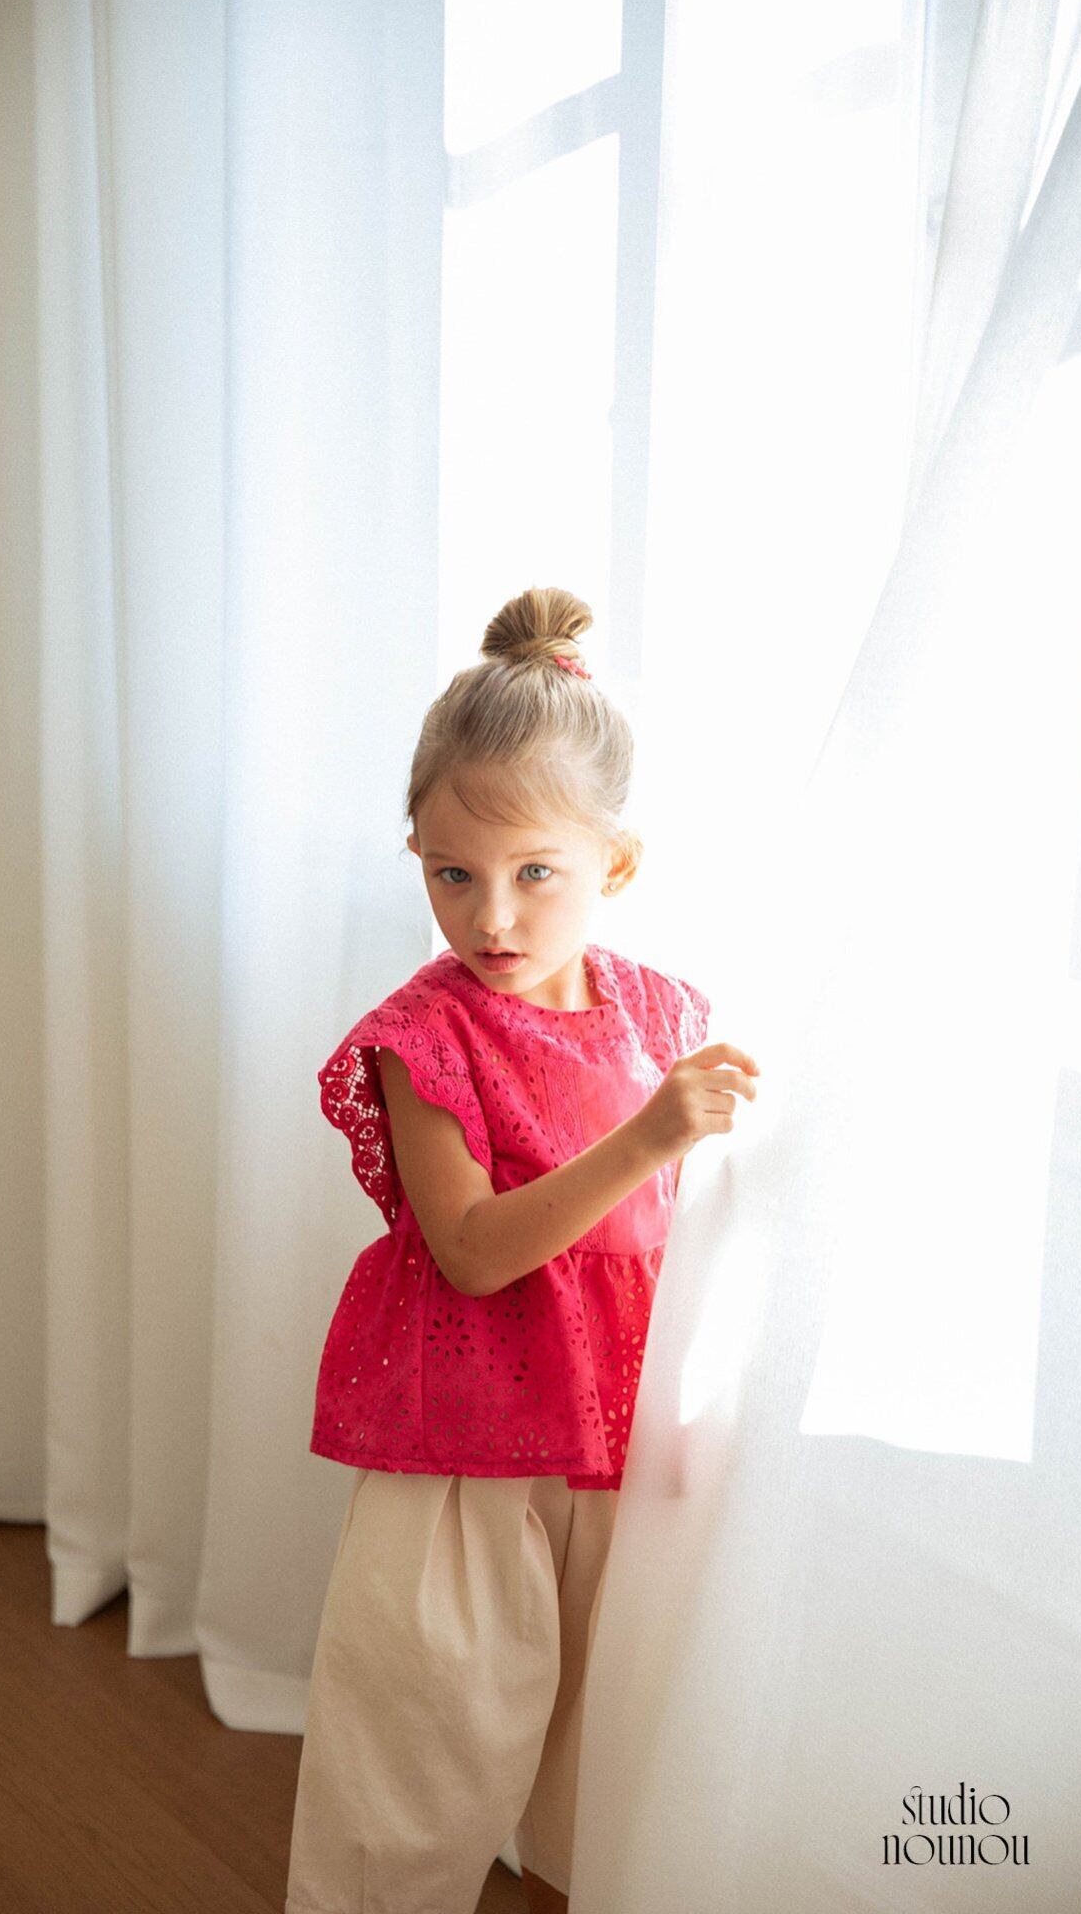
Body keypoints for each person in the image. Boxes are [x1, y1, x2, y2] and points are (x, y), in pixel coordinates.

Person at [285, 585, 759, 1914]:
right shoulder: (423, 1042)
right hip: (466, 1449)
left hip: (614, 1439)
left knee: (600, 1753)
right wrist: (650, 1135)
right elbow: (475, 1251)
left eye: (534, 873)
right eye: (452, 874)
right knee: (419, 1751)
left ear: (616, 864)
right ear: (417, 856)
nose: (490, 918)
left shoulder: (662, 1013)